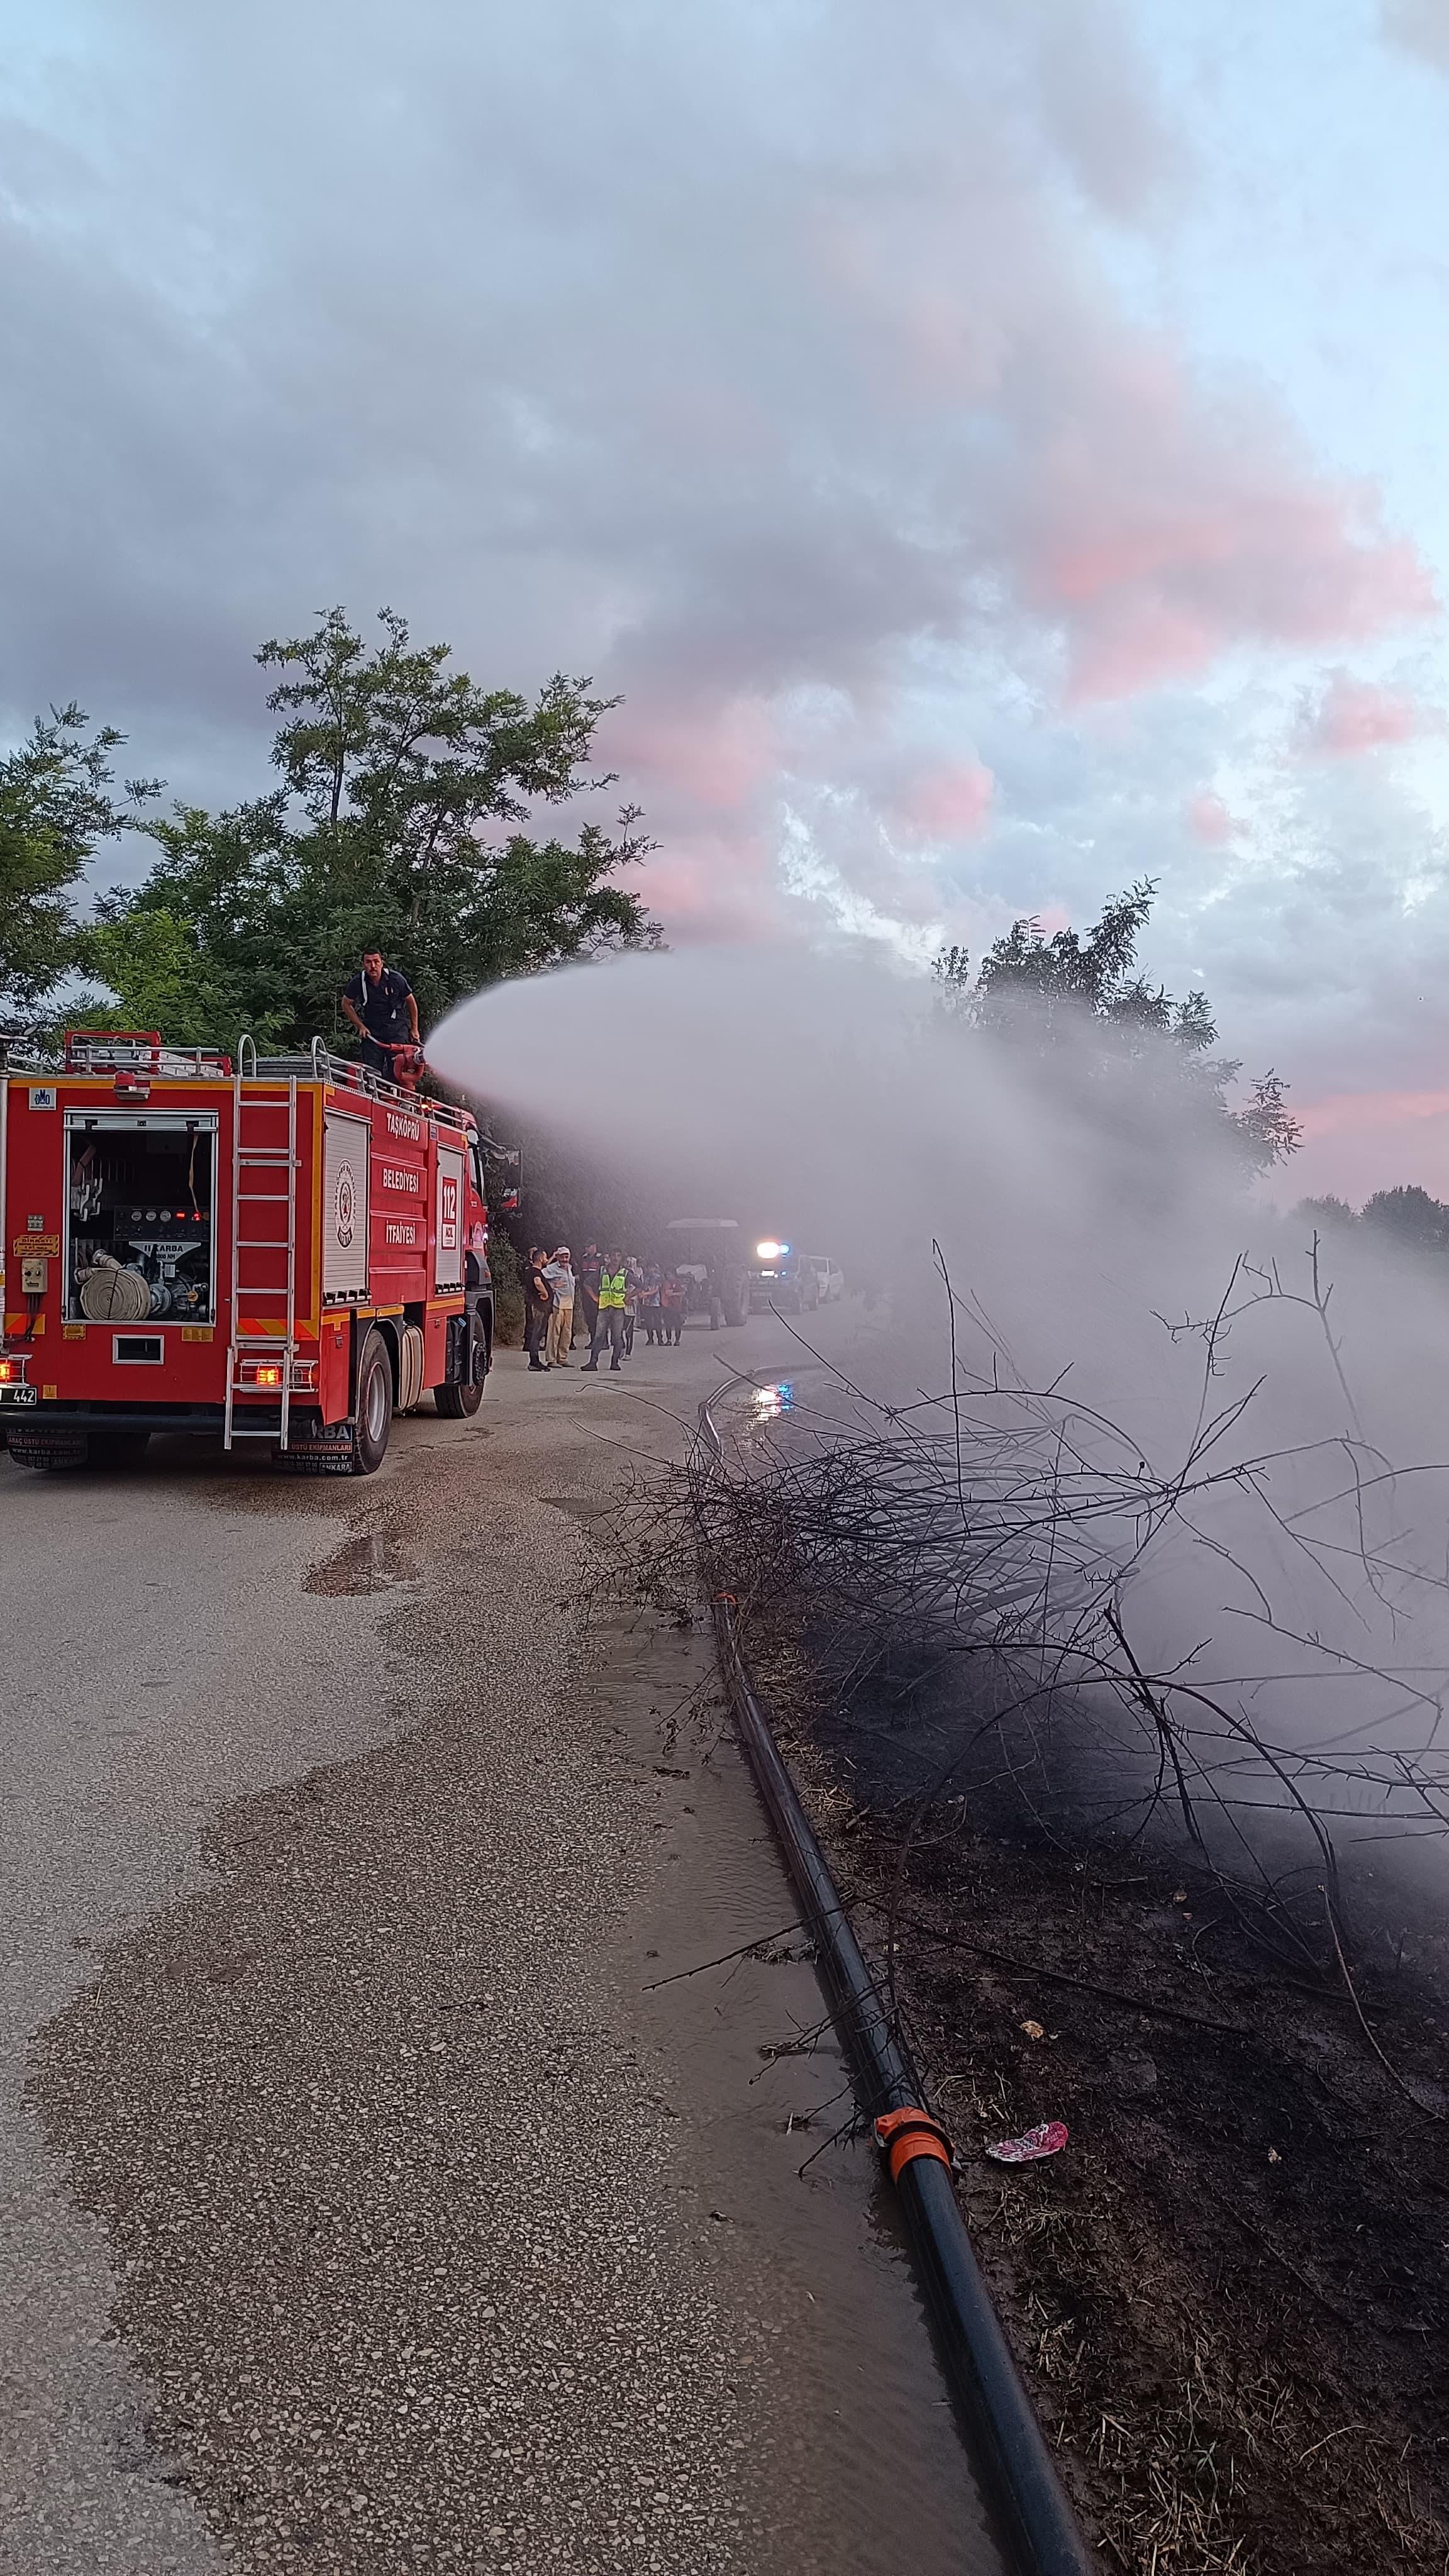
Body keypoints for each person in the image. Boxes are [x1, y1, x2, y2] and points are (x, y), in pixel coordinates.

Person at [341, 946, 420, 1077]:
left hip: (396, 1028)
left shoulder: (396, 979)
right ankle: (372, 1095)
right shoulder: (358, 982)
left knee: (398, 1068)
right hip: (372, 1029)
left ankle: (395, 1096)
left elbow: (411, 1001)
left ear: (382, 963)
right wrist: (360, 1026)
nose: (373, 966)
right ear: (363, 964)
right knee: (371, 1071)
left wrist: (415, 1029)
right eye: (368, 962)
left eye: (376, 961)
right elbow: (346, 1003)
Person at [582, 1250, 628, 1372]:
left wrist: (628, 1297)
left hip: (618, 1308)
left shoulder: (625, 1273)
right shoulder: (602, 1271)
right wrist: (594, 1297)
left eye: (618, 1255)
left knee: (617, 1337)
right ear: (609, 1257)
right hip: (604, 1308)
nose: (616, 1258)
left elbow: (639, 1285)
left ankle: (615, 1363)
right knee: (599, 1336)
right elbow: (587, 1283)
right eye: (613, 1255)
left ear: (621, 1258)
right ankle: (593, 1363)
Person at [522, 1246, 555, 1372]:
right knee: (537, 1335)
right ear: (541, 1258)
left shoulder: (530, 1271)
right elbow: (537, 1282)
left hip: (538, 1308)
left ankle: (535, 1361)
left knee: (538, 1334)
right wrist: (545, 1292)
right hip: (539, 1308)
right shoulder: (535, 1272)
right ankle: (534, 1361)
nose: (546, 1259)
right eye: (545, 1257)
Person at [543, 1245, 575, 1367]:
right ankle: (551, 1359)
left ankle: (562, 1358)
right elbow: (540, 1277)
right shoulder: (552, 1268)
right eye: (562, 1256)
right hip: (558, 1304)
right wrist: (552, 1286)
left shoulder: (570, 1268)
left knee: (567, 1333)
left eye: (567, 1256)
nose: (565, 1259)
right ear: (557, 1257)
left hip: (569, 1304)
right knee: (554, 1332)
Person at [577, 1244, 602, 1348]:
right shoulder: (584, 1259)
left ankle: (602, 1341)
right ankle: (593, 1339)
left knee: (599, 1317)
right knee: (589, 1316)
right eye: (585, 1246)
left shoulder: (600, 1259)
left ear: (594, 1247)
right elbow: (581, 1276)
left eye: (589, 1246)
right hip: (586, 1292)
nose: (586, 1248)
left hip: (597, 1292)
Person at [660, 1266, 687, 1346]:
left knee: (677, 1324)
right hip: (667, 1306)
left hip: (676, 1306)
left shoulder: (678, 1282)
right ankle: (669, 1340)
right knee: (668, 1324)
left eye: (669, 1274)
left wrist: (673, 1294)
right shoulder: (666, 1283)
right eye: (667, 1275)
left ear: (673, 1274)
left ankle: (677, 1340)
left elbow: (683, 1293)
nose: (668, 1276)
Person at [638, 1260, 663, 1346]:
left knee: (657, 1322)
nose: (650, 1270)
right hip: (647, 1303)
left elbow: (656, 1290)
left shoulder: (658, 1278)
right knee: (648, 1322)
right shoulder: (644, 1277)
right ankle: (650, 1338)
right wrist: (642, 1294)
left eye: (652, 1268)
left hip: (656, 1303)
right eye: (649, 1268)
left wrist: (645, 1294)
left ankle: (660, 1339)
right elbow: (642, 1287)